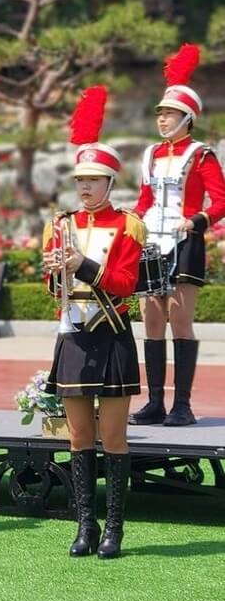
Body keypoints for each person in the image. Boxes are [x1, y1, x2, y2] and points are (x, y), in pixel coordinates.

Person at [43, 87, 144, 560]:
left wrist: (81, 263)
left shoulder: (127, 226)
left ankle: (115, 530)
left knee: (115, 437)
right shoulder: (59, 223)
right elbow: (52, 289)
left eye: (94, 180)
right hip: (76, 333)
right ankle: (86, 524)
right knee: (79, 436)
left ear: (109, 183)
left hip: (113, 334)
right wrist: (56, 272)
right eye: (80, 179)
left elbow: (124, 284)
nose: (84, 187)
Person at [132, 44, 225, 427]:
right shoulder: (150, 154)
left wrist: (196, 220)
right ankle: (155, 402)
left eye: (169, 114)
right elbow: (144, 199)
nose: (162, 120)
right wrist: (130, 223)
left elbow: (220, 201)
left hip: (183, 241)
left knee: (179, 320)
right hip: (150, 240)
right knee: (151, 322)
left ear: (187, 117)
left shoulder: (202, 155)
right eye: (160, 114)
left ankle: (182, 406)